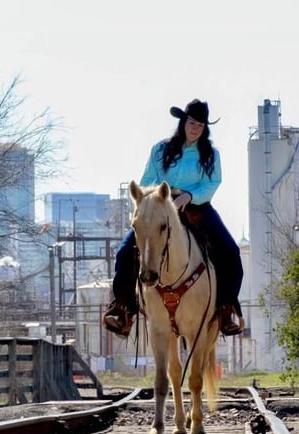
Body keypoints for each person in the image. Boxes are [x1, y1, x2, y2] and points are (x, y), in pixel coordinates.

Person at [103, 98, 244, 338]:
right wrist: (160, 201)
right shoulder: (160, 149)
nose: (195, 128)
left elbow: (213, 183)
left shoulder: (211, 154)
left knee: (230, 252)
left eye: (200, 125)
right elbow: (147, 180)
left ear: (204, 128)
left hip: (196, 206)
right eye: (192, 122)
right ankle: (123, 308)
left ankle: (226, 308)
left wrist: (189, 196)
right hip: (160, 204)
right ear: (183, 122)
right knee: (125, 252)